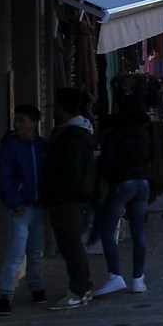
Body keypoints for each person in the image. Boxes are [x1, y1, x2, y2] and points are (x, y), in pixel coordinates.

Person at [39, 89, 100, 307]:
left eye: (56, 105)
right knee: (73, 245)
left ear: (63, 108)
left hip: (68, 201)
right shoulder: (77, 132)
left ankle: (79, 289)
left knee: (71, 246)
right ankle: (82, 287)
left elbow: (70, 174)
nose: (53, 109)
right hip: (74, 198)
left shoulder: (71, 137)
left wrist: (56, 197)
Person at [91, 96, 158, 295]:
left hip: (122, 182)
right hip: (142, 183)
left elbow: (107, 164)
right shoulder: (146, 132)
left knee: (108, 230)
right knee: (139, 232)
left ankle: (115, 275)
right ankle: (138, 278)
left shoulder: (115, 133)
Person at [0, 105, 50, 313]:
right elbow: (2, 178)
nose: (17, 124)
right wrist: (14, 203)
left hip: (38, 206)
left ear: (33, 123)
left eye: (21, 120)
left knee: (35, 251)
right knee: (15, 252)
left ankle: (37, 287)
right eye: (16, 120)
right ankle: (4, 294)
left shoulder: (42, 145)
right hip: (20, 207)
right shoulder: (10, 146)